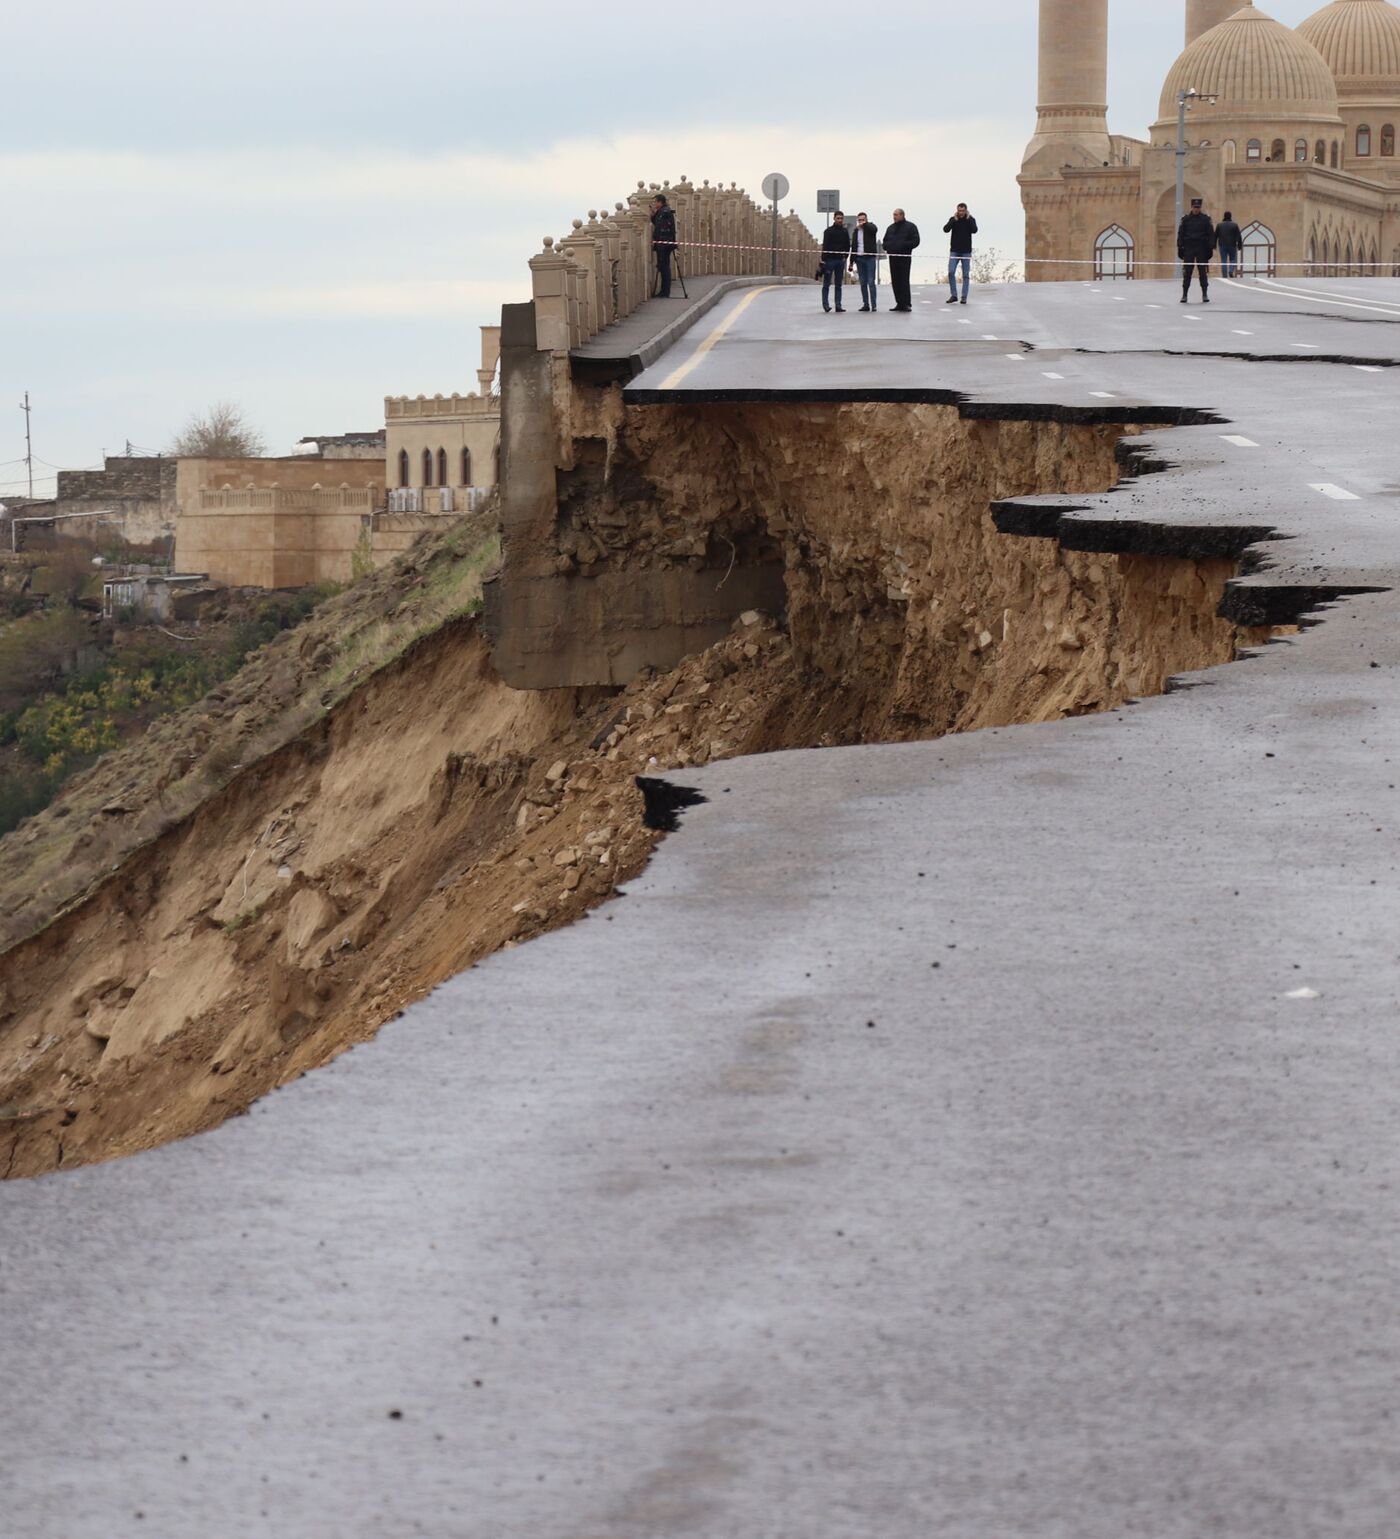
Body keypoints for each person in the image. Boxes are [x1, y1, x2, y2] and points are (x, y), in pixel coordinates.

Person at [1178, 197, 1215, 304]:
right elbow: (1181, 233)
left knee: (1202, 272)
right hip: (1189, 248)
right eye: (1195, 207)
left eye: (1198, 207)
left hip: (1201, 248)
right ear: (1191, 207)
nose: (1196, 209)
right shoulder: (1186, 219)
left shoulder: (1205, 219)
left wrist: (1210, 247)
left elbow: (1210, 234)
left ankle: (1204, 294)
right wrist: (1180, 247)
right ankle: (1184, 294)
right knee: (1187, 272)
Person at [883, 207, 921, 313]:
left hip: (904, 257)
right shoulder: (890, 228)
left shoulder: (910, 227)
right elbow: (885, 241)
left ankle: (906, 303)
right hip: (893, 257)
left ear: (902, 215)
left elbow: (916, 241)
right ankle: (899, 303)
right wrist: (887, 247)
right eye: (893, 215)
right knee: (895, 281)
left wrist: (903, 245)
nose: (894, 217)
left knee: (904, 280)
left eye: (896, 215)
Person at [943, 203, 978, 304]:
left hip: (966, 252)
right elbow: (945, 229)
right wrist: (954, 220)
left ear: (966, 211)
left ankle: (964, 297)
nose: (961, 213)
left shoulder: (970, 219)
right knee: (951, 271)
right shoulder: (953, 219)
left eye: (963, 211)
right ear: (957, 211)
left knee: (966, 275)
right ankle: (954, 295)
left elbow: (974, 230)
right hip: (954, 251)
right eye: (959, 211)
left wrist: (969, 219)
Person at [848, 213, 881, 312]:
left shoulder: (870, 228)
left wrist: (865, 225)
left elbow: (874, 229)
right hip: (859, 259)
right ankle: (865, 304)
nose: (861, 222)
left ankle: (874, 305)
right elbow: (853, 247)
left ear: (866, 220)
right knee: (863, 283)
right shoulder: (856, 231)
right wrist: (851, 262)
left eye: (863, 220)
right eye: (860, 220)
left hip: (869, 258)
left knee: (871, 282)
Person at [821, 211, 851, 313]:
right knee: (827, 284)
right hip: (829, 260)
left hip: (840, 261)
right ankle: (826, 305)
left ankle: (838, 305)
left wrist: (845, 257)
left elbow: (847, 245)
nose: (840, 220)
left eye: (841, 218)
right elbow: (825, 246)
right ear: (834, 218)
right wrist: (823, 260)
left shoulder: (844, 231)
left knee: (838, 284)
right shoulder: (828, 231)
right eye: (838, 218)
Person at [651, 194, 677, 299]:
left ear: (660, 202)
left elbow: (661, 228)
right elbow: (655, 222)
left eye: (655, 202)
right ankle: (664, 291)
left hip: (664, 244)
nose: (654, 204)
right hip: (665, 243)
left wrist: (659, 242)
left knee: (664, 267)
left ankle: (665, 292)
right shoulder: (662, 211)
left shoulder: (664, 212)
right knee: (663, 267)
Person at [1216, 210, 1243, 278]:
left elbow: (1215, 235)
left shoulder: (1219, 225)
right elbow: (1238, 236)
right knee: (1233, 259)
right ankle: (1231, 270)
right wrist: (1240, 245)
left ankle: (1224, 274)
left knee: (1223, 260)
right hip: (1232, 245)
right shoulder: (1234, 225)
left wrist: (1213, 244)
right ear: (1230, 216)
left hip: (1222, 245)